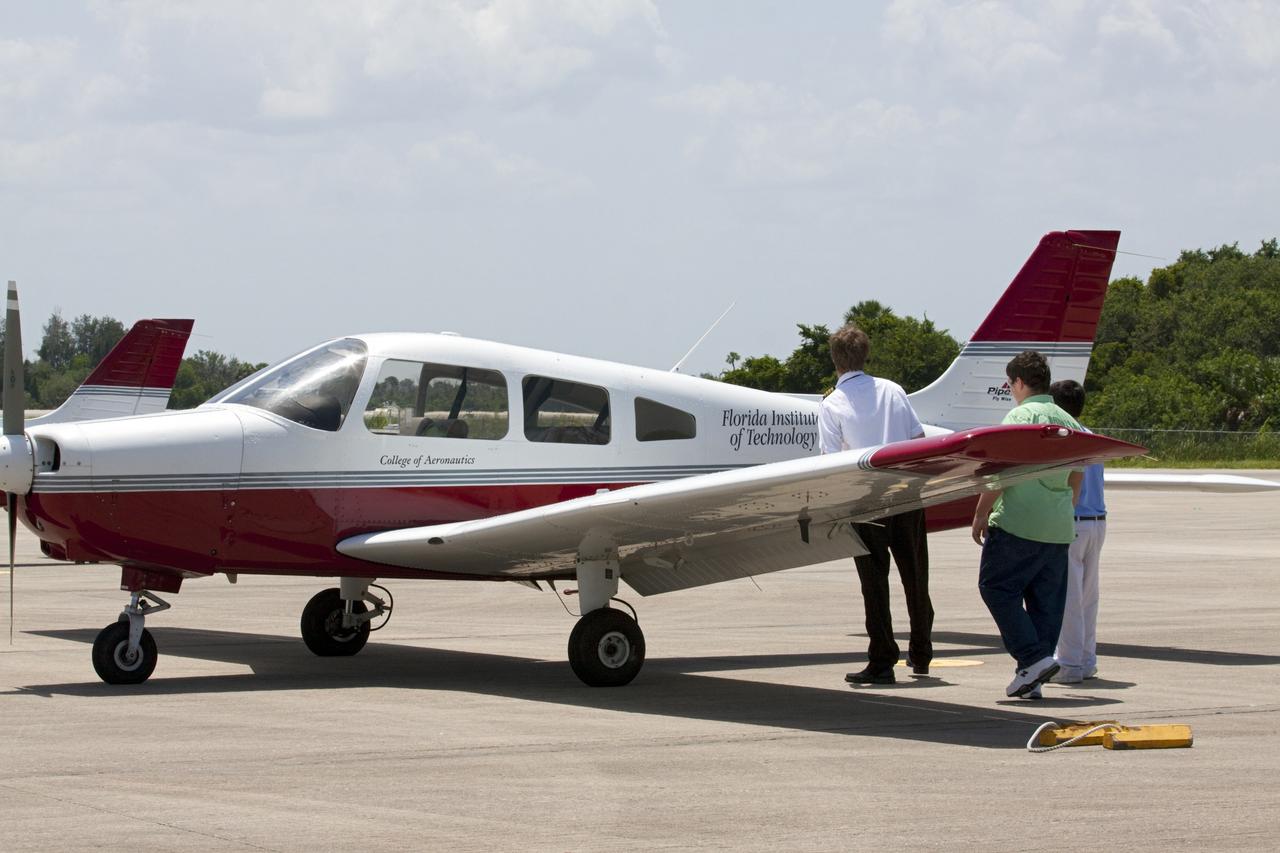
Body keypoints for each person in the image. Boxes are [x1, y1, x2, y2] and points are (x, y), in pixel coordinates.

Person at [818, 323, 931, 686]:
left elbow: (829, 461)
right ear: (866, 355)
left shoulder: (832, 404)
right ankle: (922, 651)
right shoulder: (893, 390)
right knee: (915, 575)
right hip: (907, 493)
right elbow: (918, 438)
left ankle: (882, 659)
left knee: (875, 582)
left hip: (866, 503)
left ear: (835, 360)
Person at [971, 351, 1083, 700]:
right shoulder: (1069, 420)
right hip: (1058, 526)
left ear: (1019, 382)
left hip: (1019, 522)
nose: (1010, 390)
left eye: (1010, 384)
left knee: (996, 588)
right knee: (1045, 604)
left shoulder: (1020, 416)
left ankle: (1033, 659)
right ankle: (1031, 676)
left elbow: (1000, 471)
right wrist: (1064, 508)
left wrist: (979, 514)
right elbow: (1079, 472)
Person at [1050, 379, 1106, 684]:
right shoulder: (1091, 436)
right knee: (1088, 596)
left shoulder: (1066, 439)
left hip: (1073, 522)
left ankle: (1069, 664)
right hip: (1097, 521)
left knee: (1068, 596)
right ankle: (1086, 659)